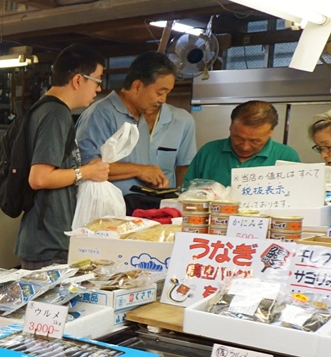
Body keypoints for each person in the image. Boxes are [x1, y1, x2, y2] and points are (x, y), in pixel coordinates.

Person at [16, 44, 110, 270]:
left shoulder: (44, 109)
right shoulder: (56, 114)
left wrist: (83, 169)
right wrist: (86, 172)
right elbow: (39, 178)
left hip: (44, 240)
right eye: (97, 80)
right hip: (48, 245)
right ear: (78, 80)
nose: (98, 89)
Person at [75, 52, 197, 194]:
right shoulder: (101, 114)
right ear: (137, 86)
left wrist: (152, 177)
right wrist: (140, 170)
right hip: (105, 210)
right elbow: (87, 167)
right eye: (160, 92)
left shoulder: (141, 117)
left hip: (136, 210)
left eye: (167, 93)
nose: (163, 100)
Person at [183, 100, 300, 187]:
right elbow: (187, 192)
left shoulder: (286, 157)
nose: (245, 146)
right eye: (238, 138)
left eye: (255, 141)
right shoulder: (209, 151)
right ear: (230, 126)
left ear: (271, 132)